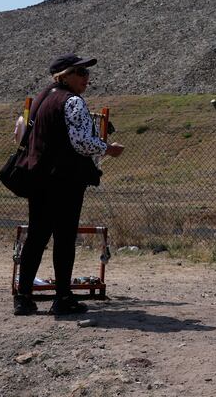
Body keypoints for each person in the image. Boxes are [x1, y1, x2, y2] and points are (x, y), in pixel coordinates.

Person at [13, 54, 125, 316]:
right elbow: (81, 142)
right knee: (64, 238)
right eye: (81, 73)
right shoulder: (73, 101)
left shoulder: (42, 98)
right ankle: (63, 296)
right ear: (65, 75)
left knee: (37, 237)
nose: (87, 78)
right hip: (65, 180)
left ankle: (24, 296)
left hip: (38, 176)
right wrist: (108, 149)